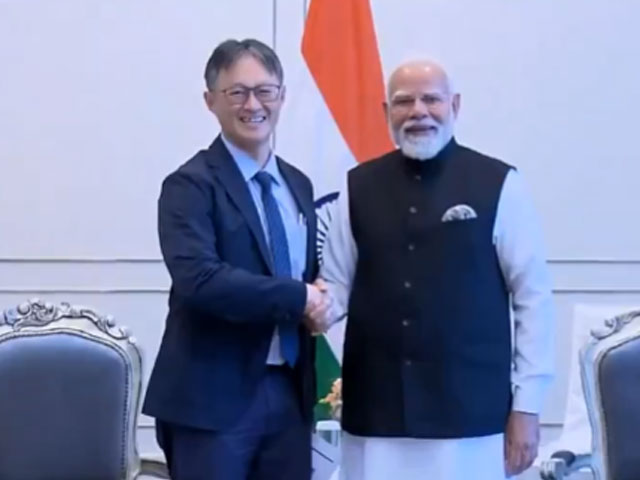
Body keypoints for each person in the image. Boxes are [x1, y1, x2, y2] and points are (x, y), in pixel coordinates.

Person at [320, 59, 555, 480]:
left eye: (431, 99)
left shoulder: (500, 183)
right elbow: (336, 285)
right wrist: (308, 305)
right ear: (386, 112)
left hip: (470, 417)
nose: (418, 111)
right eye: (404, 101)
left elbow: (532, 297)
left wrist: (527, 406)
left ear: (455, 105)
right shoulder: (356, 186)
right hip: (377, 412)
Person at [143, 38, 329, 480]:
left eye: (265, 91)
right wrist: (300, 296)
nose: (253, 105)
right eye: (237, 92)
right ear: (211, 101)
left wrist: (324, 296)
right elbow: (201, 280)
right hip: (212, 400)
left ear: (282, 96)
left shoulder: (298, 184)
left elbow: (305, 276)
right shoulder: (189, 186)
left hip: (290, 393)